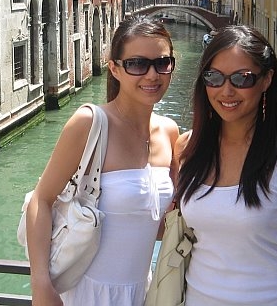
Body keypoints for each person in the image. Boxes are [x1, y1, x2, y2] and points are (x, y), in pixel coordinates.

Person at [25, 15, 180, 306]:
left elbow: (158, 225)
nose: (151, 75)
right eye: (136, 64)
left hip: (144, 294)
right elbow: (41, 201)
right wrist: (41, 285)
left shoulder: (170, 133)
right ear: (115, 69)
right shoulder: (89, 123)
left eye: (162, 63)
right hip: (85, 294)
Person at [175, 25, 277, 306]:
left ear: (266, 80)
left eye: (242, 79)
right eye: (214, 77)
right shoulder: (187, 149)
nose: (226, 91)